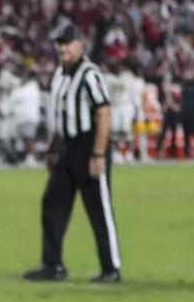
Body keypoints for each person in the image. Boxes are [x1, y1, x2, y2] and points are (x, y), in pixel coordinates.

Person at [23, 24, 122, 283]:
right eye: (59, 43)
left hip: (88, 147)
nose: (62, 48)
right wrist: (54, 148)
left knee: (98, 209)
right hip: (67, 147)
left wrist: (99, 154)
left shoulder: (90, 74)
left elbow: (103, 112)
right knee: (52, 202)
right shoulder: (59, 74)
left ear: (81, 44)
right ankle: (52, 264)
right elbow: (60, 117)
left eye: (67, 42)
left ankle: (110, 268)